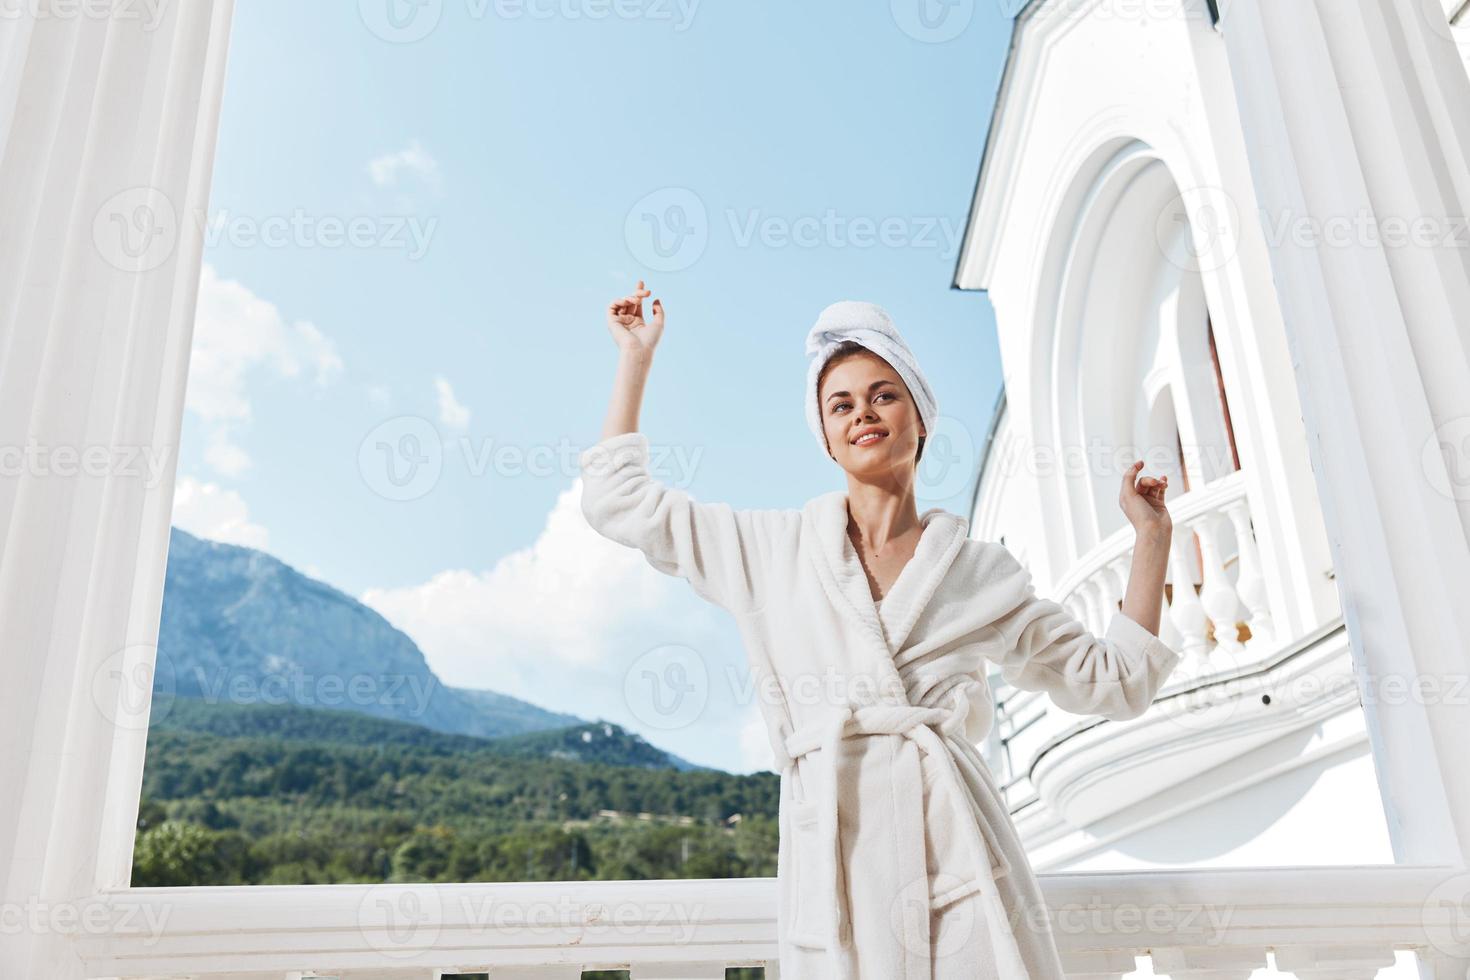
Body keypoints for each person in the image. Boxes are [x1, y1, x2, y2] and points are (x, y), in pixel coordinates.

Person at [578, 280, 1181, 979]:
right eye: (841, 404)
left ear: (919, 418)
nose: (863, 412)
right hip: (837, 872)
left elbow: (1116, 682)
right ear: (827, 439)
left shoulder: (978, 574)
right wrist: (635, 361)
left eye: (883, 394)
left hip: (960, 859)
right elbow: (617, 502)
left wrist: (1151, 538)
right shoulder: (770, 552)